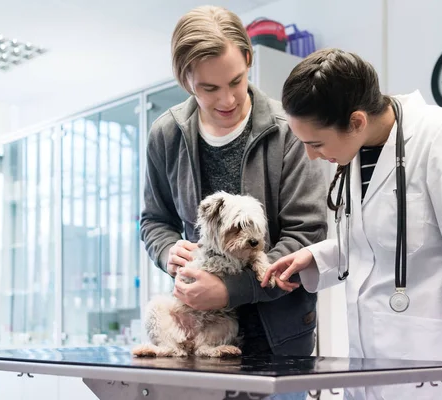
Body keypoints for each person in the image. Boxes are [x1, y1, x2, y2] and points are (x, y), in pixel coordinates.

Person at [262, 48, 442, 400]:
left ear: (357, 121)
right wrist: (316, 258)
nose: (311, 155)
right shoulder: (355, 149)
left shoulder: (440, 136)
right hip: (364, 361)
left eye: (315, 143)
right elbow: (374, 241)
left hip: (427, 360)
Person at [139, 4, 327, 365]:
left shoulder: (286, 131)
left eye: (236, 81)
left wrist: (230, 289)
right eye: (208, 88)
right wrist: (167, 251)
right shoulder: (166, 134)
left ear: (248, 58)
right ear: (185, 79)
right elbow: (152, 221)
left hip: (280, 342)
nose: (226, 100)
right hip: (197, 343)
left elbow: (307, 234)